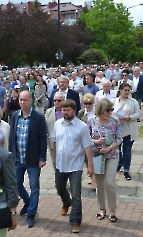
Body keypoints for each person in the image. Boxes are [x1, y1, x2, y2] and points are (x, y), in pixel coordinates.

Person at [51, 99, 94, 233]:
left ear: (74, 110)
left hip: (75, 165)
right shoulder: (58, 124)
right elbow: (54, 142)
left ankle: (75, 221)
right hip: (60, 164)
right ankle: (66, 202)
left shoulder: (82, 127)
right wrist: (54, 159)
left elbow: (87, 147)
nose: (65, 112)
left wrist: (90, 166)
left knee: (76, 194)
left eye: (68, 110)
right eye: (63, 110)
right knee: (59, 188)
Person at [9, 90, 47, 228]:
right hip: (17, 159)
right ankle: (28, 201)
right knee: (16, 184)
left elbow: (43, 139)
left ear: (31, 101)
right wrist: (10, 155)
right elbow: (11, 137)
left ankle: (31, 214)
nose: (22, 102)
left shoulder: (38, 117)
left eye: (25, 100)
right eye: (20, 100)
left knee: (34, 187)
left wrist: (42, 157)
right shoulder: (14, 116)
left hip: (33, 159)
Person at [87, 99, 122, 223]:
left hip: (112, 155)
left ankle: (112, 209)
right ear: (101, 110)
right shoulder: (91, 121)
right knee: (99, 184)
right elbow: (86, 138)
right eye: (108, 110)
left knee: (109, 182)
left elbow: (119, 138)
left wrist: (109, 148)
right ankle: (102, 208)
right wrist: (96, 142)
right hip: (97, 156)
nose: (110, 112)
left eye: (111, 110)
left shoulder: (115, 121)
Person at [111, 83, 141, 180]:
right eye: (125, 90)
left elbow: (138, 113)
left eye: (129, 90)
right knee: (117, 149)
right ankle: (120, 161)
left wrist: (130, 117)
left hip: (129, 129)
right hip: (117, 129)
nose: (127, 92)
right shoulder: (114, 101)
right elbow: (109, 112)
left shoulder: (133, 102)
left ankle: (126, 170)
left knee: (127, 150)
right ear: (120, 90)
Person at [45, 92, 65, 169]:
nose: (56, 102)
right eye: (55, 100)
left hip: (65, 142)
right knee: (55, 162)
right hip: (52, 141)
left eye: (59, 100)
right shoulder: (48, 112)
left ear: (63, 100)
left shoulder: (67, 111)